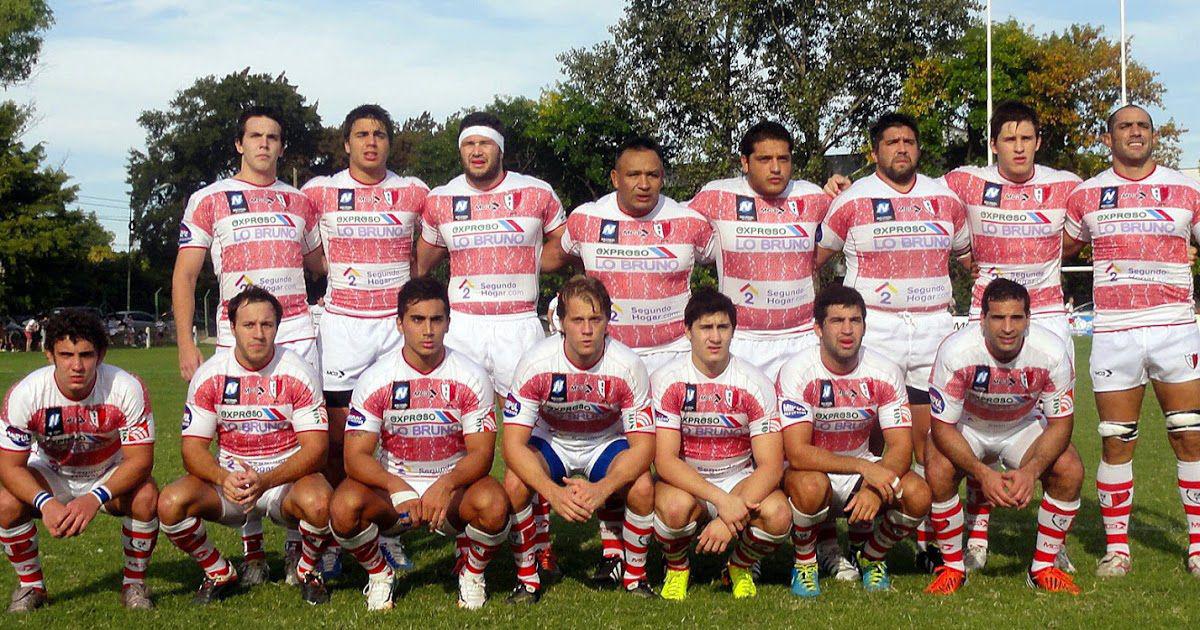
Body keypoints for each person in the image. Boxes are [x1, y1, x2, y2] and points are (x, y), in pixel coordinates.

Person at [173, 105, 325, 583]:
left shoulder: (300, 202)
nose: (264, 144)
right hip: (232, 336)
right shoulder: (209, 198)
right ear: (239, 144)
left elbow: (320, 264)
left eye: (273, 137)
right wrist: (183, 342)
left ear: (282, 147)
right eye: (255, 136)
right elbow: (185, 274)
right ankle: (252, 548)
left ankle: (297, 550)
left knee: (294, 440)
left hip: (297, 334)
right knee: (242, 437)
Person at [934, 101, 1083, 572]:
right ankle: (976, 532)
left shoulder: (1067, 185)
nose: (1018, 147)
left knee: (1045, 428)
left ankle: (1050, 543)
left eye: (1027, 138)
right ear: (994, 142)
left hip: (1046, 316)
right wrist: (840, 183)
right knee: (978, 414)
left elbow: (1079, 236)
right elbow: (913, 195)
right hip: (989, 314)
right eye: (1008, 139)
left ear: (1038, 142)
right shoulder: (964, 182)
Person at [816, 112, 968, 571]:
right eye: (891, 142)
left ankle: (926, 542)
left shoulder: (945, 197)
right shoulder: (852, 199)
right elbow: (816, 257)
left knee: (926, 443)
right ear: (874, 151)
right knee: (870, 437)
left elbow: (968, 258)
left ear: (919, 149)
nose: (901, 149)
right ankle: (852, 536)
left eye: (908, 141)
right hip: (873, 329)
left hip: (933, 331)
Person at [1063, 104, 1200, 578]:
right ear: (1108, 139)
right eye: (1125, 126)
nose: (1135, 133)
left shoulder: (1187, 188)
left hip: (1175, 326)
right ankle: (1116, 550)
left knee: (1188, 434)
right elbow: (1061, 246)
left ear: (1154, 136)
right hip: (1115, 330)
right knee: (1116, 442)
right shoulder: (1087, 194)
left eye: (1142, 126)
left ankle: (1198, 548)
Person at [329, 277, 508, 611]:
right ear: (399, 323)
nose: (428, 330)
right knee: (343, 507)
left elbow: (483, 454)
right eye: (417, 320)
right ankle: (380, 574)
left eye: (436, 320)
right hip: (395, 496)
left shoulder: (471, 376)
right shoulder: (376, 378)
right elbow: (354, 457)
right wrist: (397, 486)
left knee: (495, 505)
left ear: (448, 323)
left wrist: (447, 483)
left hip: (451, 495)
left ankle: (470, 573)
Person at [303, 104, 429, 573]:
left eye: (379, 134)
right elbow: (313, 257)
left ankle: (389, 532)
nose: (371, 142)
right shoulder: (319, 191)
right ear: (347, 143)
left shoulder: (414, 191)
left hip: (394, 328)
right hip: (343, 327)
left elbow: (423, 256)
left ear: (389, 143)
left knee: (393, 437)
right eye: (361, 134)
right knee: (339, 441)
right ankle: (339, 535)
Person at [156, 287, 334, 605]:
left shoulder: (298, 372)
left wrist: (266, 480)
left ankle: (307, 569)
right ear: (232, 327)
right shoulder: (210, 375)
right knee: (170, 503)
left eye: (266, 325)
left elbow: (316, 449)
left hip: (284, 483)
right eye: (249, 325)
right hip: (232, 484)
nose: (258, 333)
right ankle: (219, 571)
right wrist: (224, 478)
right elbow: (192, 450)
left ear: (277, 328)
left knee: (320, 503)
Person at [502, 275, 656, 602]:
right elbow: (512, 445)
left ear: (608, 321)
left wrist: (603, 488)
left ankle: (635, 577)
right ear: (561, 323)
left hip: (604, 441)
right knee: (515, 481)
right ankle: (528, 577)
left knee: (642, 485)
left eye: (595, 319)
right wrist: (553, 494)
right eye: (578, 320)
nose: (586, 329)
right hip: (554, 439)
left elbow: (644, 447)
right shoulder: (536, 362)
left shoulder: (628, 365)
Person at [922, 279, 1082, 595]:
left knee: (1070, 468)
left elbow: (1062, 424)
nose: (1007, 328)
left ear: (1028, 319)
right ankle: (953, 568)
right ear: (982, 320)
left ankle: (1042, 567)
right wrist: (983, 474)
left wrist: (1031, 471)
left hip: (1021, 425)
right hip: (969, 425)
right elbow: (941, 427)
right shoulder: (957, 351)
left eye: (1016, 318)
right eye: (997, 318)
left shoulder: (1050, 352)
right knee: (938, 464)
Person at [0, 309, 159, 612]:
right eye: (66, 354)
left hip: (108, 471)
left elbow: (140, 462)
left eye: (86, 355)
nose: (76, 366)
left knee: (147, 495)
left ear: (101, 355)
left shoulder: (126, 387)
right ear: (49, 355)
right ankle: (31, 586)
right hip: (51, 471)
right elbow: (9, 466)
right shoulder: (26, 393)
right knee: (6, 502)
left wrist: (94, 498)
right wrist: (46, 503)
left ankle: (134, 584)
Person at [778, 285, 930, 596]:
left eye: (855, 320)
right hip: (811, 472)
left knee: (918, 494)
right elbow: (796, 453)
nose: (847, 330)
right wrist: (864, 467)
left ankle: (871, 558)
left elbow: (902, 447)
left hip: (862, 473)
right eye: (837, 321)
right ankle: (805, 562)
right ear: (817, 328)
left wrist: (875, 487)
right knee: (810, 487)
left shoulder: (885, 371)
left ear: (864, 325)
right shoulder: (798, 371)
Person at [650, 288, 789, 601]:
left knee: (779, 514)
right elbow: (666, 460)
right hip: (688, 480)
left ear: (733, 331)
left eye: (722, 328)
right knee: (674, 508)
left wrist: (730, 515)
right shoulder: (667, 380)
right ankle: (676, 566)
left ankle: (739, 566)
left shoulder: (755, 383)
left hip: (739, 477)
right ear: (688, 332)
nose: (714, 337)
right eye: (705, 327)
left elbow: (769, 466)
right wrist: (721, 503)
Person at [558, 136, 715, 375]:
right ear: (615, 178)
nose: (644, 184)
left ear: (662, 177)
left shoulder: (690, 220)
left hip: (675, 353)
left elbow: (727, 259)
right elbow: (561, 259)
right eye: (633, 175)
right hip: (608, 353)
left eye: (652, 175)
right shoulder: (585, 218)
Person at [688, 121, 830, 379]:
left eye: (783, 159)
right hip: (741, 339)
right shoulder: (716, 195)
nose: (776, 168)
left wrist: (840, 188)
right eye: (765, 159)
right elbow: (674, 225)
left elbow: (845, 228)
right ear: (745, 162)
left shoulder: (813, 196)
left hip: (802, 338)